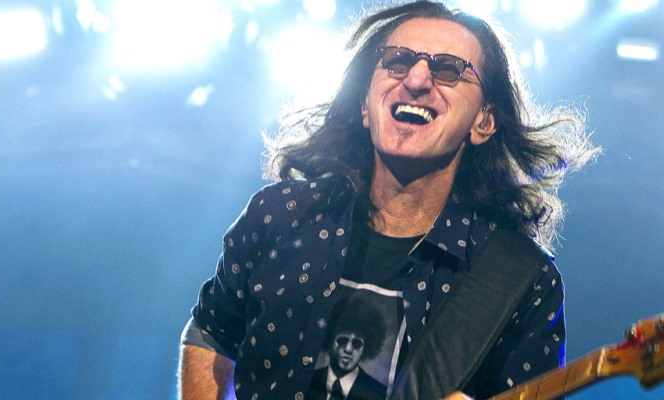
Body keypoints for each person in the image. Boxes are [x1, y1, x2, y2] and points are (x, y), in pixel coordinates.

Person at [178, 1, 598, 399]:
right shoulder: (280, 214)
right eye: (397, 60)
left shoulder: (520, 278)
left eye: (449, 70)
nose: (415, 80)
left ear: (484, 121)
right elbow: (210, 332)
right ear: (365, 105)